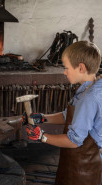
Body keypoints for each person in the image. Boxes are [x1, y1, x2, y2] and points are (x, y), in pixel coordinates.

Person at [22, 41, 102, 185]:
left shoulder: (89, 98)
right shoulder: (90, 86)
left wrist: (42, 137)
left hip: (85, 166)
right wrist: (42, 118)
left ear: (81, 67)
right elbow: (68, 116)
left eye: (66, 68)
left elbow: (74, 141)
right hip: (77, 161)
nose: (64, 72)